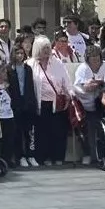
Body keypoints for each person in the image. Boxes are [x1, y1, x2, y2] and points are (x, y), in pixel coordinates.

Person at [27, 36, 71, 166]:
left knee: (58, 131)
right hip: (40, 104)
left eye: (48, 47)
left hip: (57, 103)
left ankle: (58, 157)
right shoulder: (30, 64)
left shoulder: (57, 63)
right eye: (43, 48)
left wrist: (69, 94)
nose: (46, 51)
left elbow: (66, 80)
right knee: (42, 132)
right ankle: (43, 158)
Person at [72, 46, 105, 166]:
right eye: (93, 60)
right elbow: (77, 88)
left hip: (101, 101)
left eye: (97, 59)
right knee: (87, 128)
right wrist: (87, 87)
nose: (96, 62)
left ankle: (104, 152)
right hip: (84, 103)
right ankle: (87, 153)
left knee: (103, 126)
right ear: (88, 60)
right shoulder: (83, 69)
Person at [6, 44, 38, 167]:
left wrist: (32, 103)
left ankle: (31, 155)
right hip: (15, 104)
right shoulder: (9, 69)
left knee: (29, 132)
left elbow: (30, 87)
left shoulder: (28, 68)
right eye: (17, 53)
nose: (19, 56)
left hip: (28, 103)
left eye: (21, 53)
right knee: (17, 132)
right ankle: (20, 156)